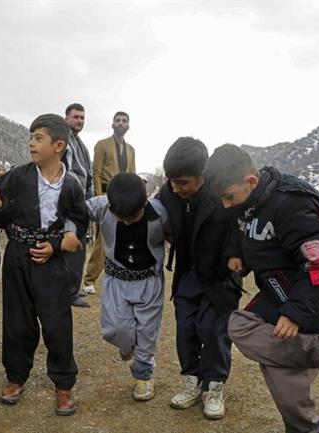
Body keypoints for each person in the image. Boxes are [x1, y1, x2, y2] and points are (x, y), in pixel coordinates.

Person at [205, 144, 319, 433]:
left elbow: (317, 267)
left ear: (251, 181)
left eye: (228, 197)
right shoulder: (248, 203)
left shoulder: (293, 205)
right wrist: (237, 253)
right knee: (238, 325)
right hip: (276, 295)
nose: (226, 205)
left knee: (288, 392)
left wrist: (295, 314)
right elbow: (242, 228)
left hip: (309, 302)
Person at [0, 114, 88, 416]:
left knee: (57, 324)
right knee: (18, 322)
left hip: (52, 262)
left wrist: (59, 244)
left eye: (38, 137)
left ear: (58, 145)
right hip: (17, 256)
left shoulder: (72, 184)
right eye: (30, 136)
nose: (30, 142)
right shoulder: (17, 176)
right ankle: (15, 378)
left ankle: (63, 384)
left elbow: (79, 219)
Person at [158, 137, 243, 420]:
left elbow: (238, 231)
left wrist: (234, 259)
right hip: (188, 274)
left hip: (219, 278)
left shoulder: (222, 195)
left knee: (215, 330)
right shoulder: (168, 194)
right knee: (186, 328)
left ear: (202, 177)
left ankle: (214, 385)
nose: (175, 188)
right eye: (171, 181)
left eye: (182, 182)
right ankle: (192, 380)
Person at [79, 172, 169, 401]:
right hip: (116, 281)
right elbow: (76, 209)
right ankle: (127, 345)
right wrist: (70, 231)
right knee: (115, 330)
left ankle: (143, 377)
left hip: (149, 282)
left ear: (145, 202)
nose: (126, 221)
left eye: (133, 216)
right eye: (121, 217)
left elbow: (180, 236)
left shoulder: (160, 214)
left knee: (147, 333)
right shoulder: (102, 206)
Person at [83, 111, 136, 295]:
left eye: (124, 121)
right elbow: (96, 173)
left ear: (128, 125)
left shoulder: (131, 150)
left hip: (124, 196)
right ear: (112, 124)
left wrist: (134, 199)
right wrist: (99, 199)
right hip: (106, 193)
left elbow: (132, 176)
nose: (121, 123)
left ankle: (117, 275)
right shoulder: (102, 145)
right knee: (102, 238)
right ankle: (89, 279)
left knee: (123, 235)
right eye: (118, 120)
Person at [63, 103, 93, 308]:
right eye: (76, 117)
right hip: (68, 201)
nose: (79, 121)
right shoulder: (63, 140)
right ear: (67, 118)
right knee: (71, 247)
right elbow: (66, 170)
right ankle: (69, 292)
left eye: (82, 117)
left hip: (81, 202)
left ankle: (72, 289)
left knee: (79, 248)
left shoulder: (80, 143)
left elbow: (87, 175)